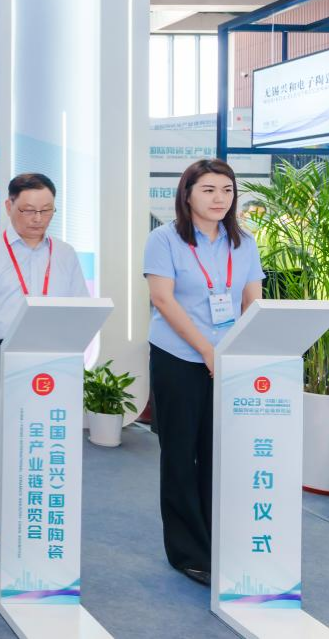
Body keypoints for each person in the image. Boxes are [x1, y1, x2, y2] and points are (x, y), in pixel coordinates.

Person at [0, 172, 88, 583]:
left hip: (49, 359)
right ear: (9, 206)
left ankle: (33, 537)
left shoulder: (65, 254)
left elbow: (79, 309)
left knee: (43, 450)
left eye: (46, 211)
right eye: (28, 210)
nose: (37, 219)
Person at [144, 159, 264, 587]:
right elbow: (163, 300)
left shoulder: (243, 243)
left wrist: (241, 352)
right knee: (180, 454)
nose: (220, 198)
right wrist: (207, 350)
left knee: (218, 454)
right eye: (209, 190)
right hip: (178, 357)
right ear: (188, 194)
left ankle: (218, 543)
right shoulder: (164, 239)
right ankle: (188, 552)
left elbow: (252, 302)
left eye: (227, 190)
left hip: (227, 360)